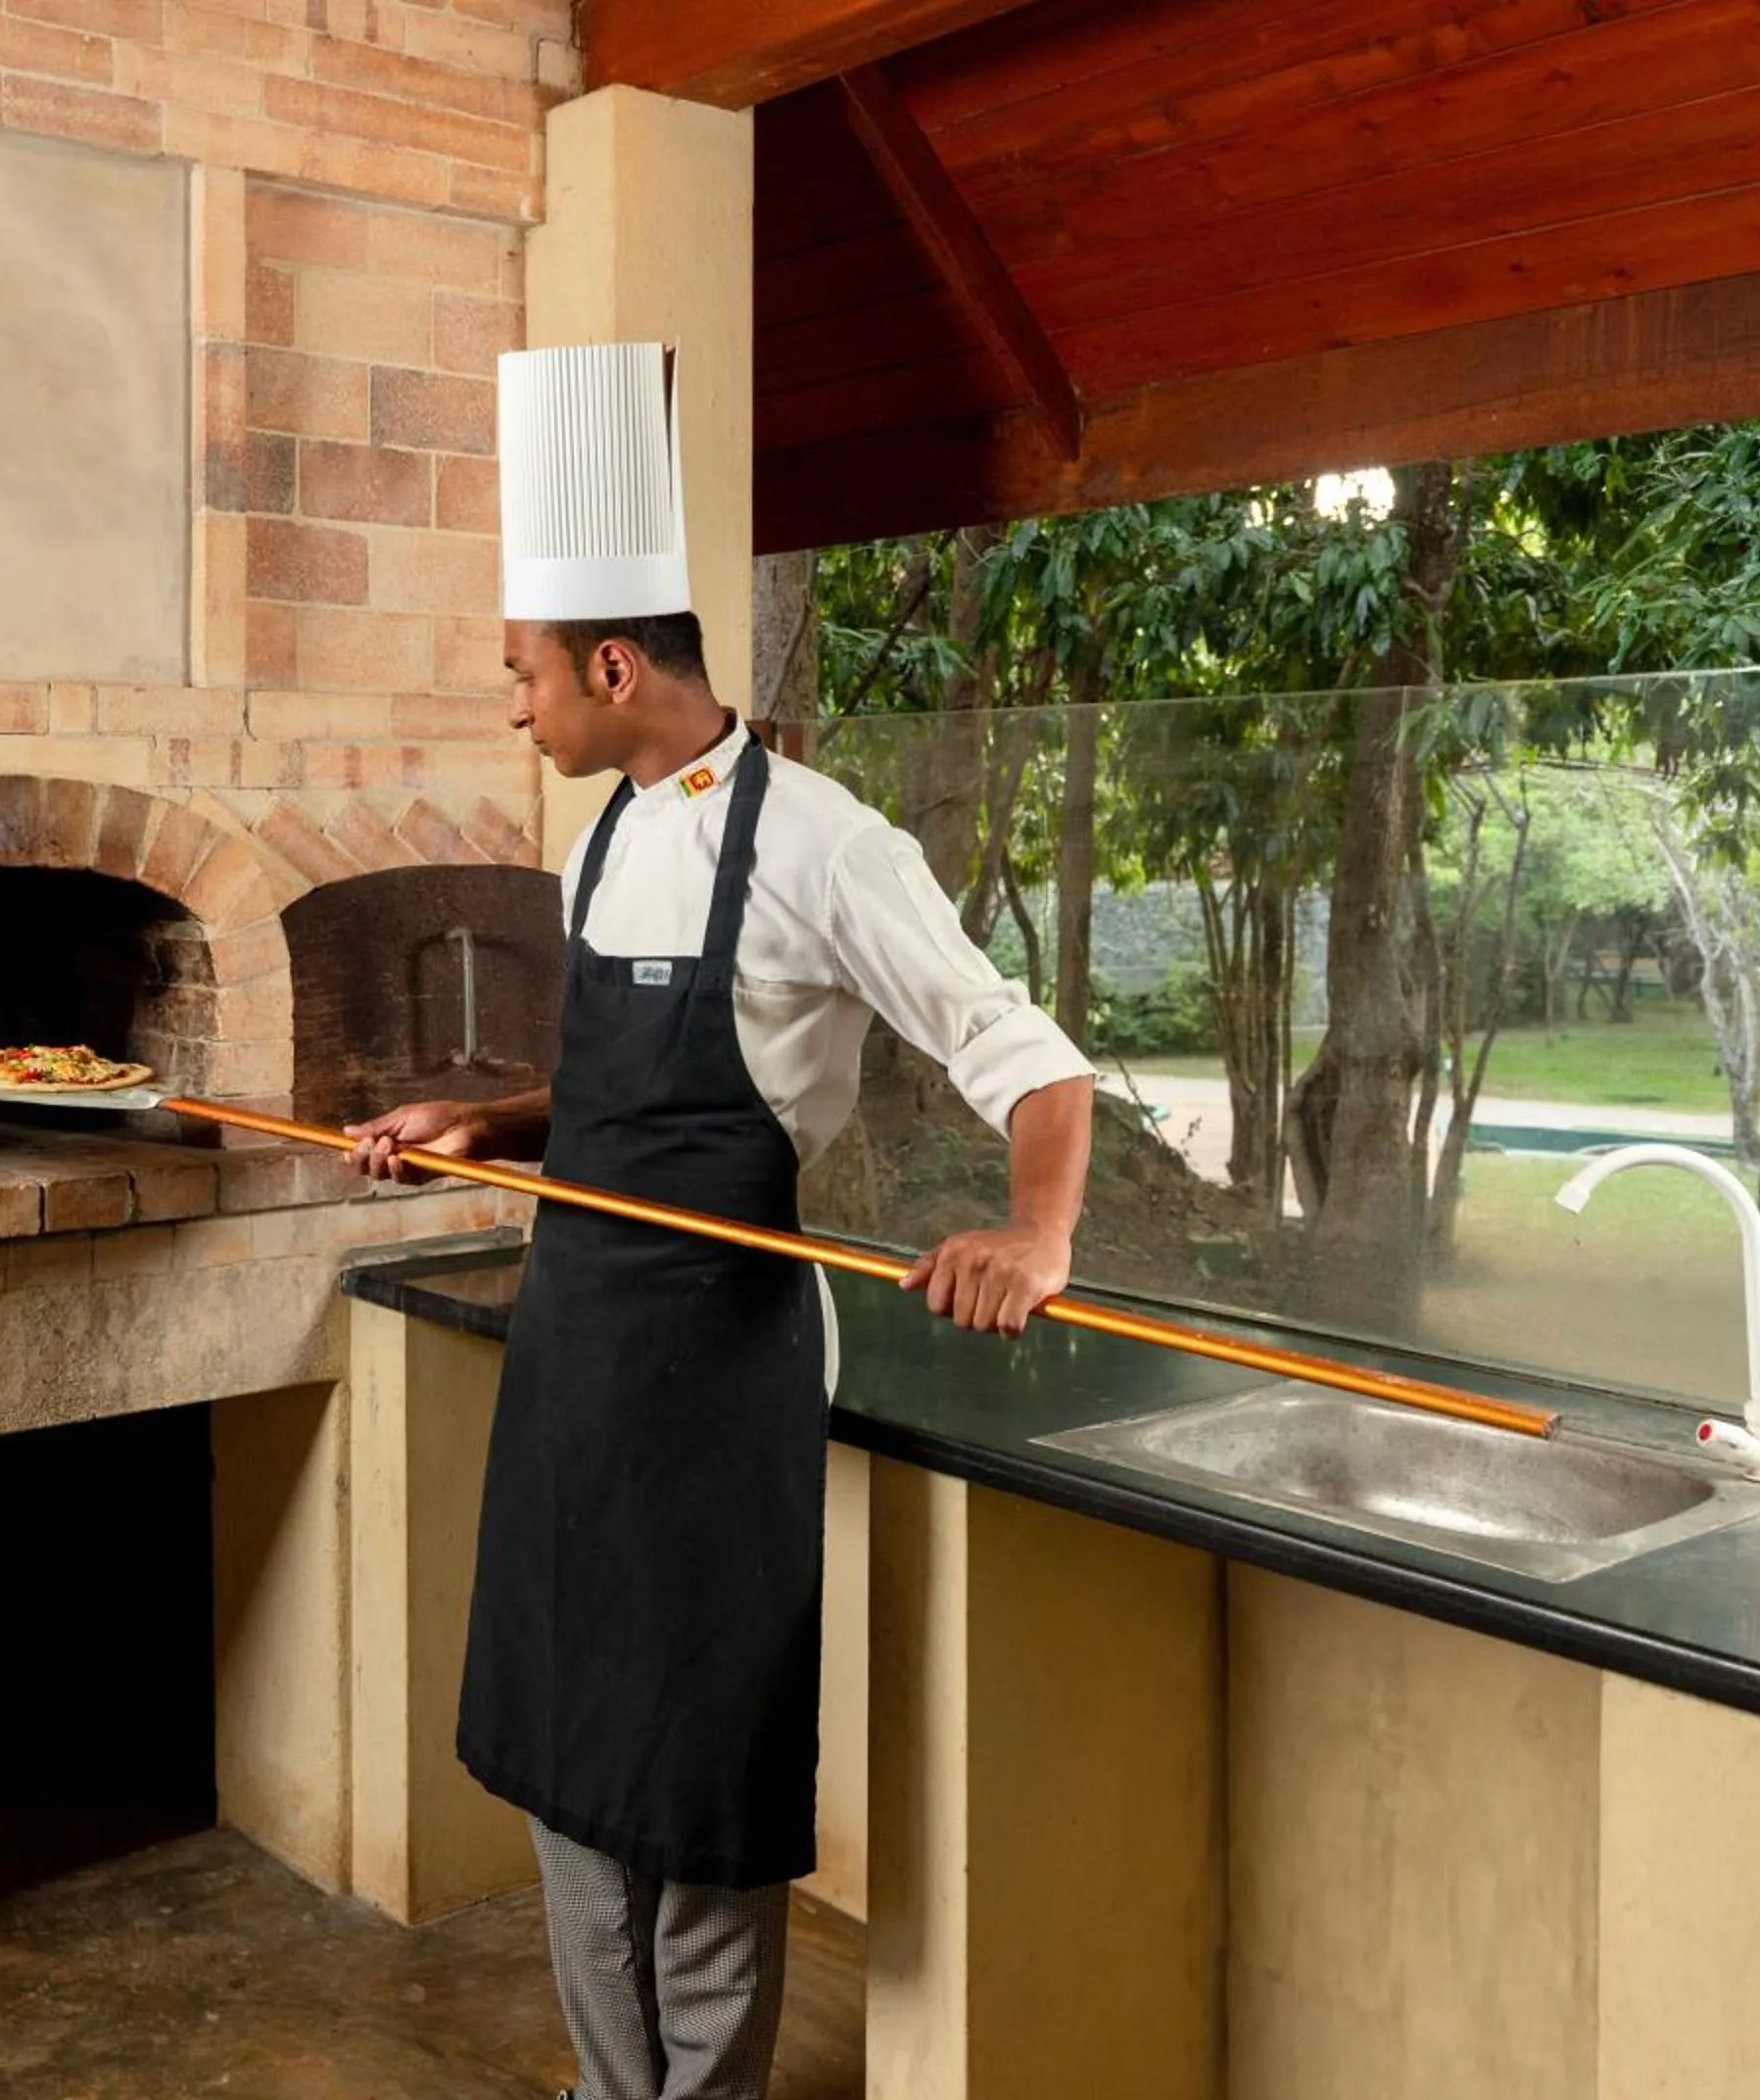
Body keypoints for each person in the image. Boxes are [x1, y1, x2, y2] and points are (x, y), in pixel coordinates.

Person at [345, 343, 1097, 2100]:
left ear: (614, 663)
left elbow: (1037, 1068)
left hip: (713, 1378)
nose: (509, 703)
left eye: (522, 673)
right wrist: (490, 1119)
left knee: (690, 1783)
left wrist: (1037, 1237)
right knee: (564, 1764)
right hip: (576, 1353)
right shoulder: (605, 833)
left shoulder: (830, 847)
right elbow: (634, 1090)